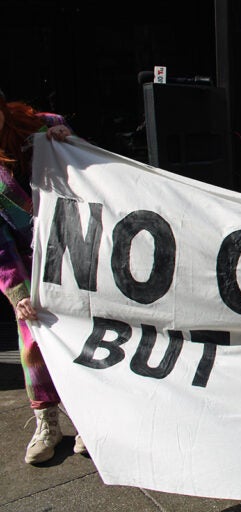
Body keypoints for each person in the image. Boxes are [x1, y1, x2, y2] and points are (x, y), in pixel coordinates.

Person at [0, 89, 87, 463]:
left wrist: (67, 140)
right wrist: (16, 290)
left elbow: (82, 157)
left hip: (70, 245)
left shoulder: (36, 126)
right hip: (23, 258)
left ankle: (90, 417)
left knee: (84, 333)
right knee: (32, 340)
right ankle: (46, 419)